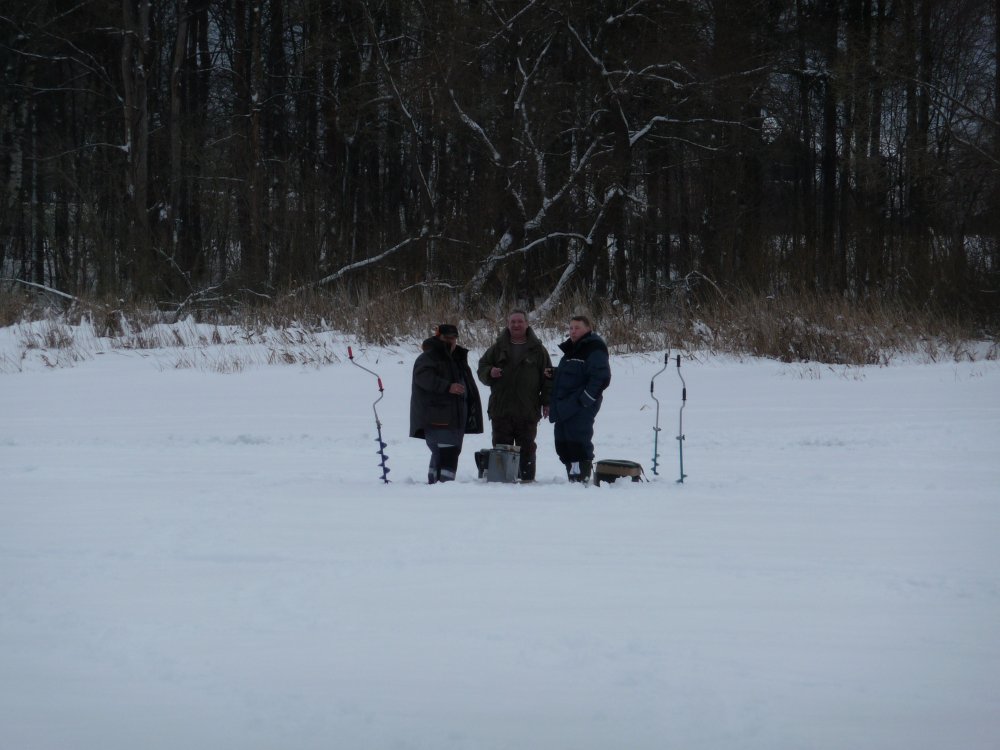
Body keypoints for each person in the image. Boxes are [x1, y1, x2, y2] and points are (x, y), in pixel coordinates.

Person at [476, 310, 553, 482]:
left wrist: (547, 402)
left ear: (527, 323)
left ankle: (526, 480)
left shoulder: (538, 350)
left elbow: (548, 378)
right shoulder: (497, 348)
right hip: (501, 408)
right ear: (507, 324)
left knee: (527, 447)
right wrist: (490, 372)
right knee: (501, 447)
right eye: (513, 322)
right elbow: (482, 368)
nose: (516, 325)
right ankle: (502, 482)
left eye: (520, 321)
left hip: (528, 409)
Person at [409, 323, 484, 484]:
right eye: (446, 338)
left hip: (455, 417)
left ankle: (435, 484)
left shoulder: (457, 357)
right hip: (437, 417)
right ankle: (444, 487)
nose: (450, 341)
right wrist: (447, 387)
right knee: (448, 452)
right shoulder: (428, 357)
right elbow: (423, 378)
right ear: (438, 337)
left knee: (444, 452)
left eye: (453, 338)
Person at [548, 315, 611, 483]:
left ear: (588, 329)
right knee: (563, 443)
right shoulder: (573, 349)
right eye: (570, 328)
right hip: (565, 405)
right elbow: (575, 372)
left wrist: (586, 399)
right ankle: (573, 476)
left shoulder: (594, 348)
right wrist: (555, 373)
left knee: (578, 441)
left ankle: (581, 478)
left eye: (577, 328)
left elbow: (601, 377)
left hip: (581, 405)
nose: (573, 331)